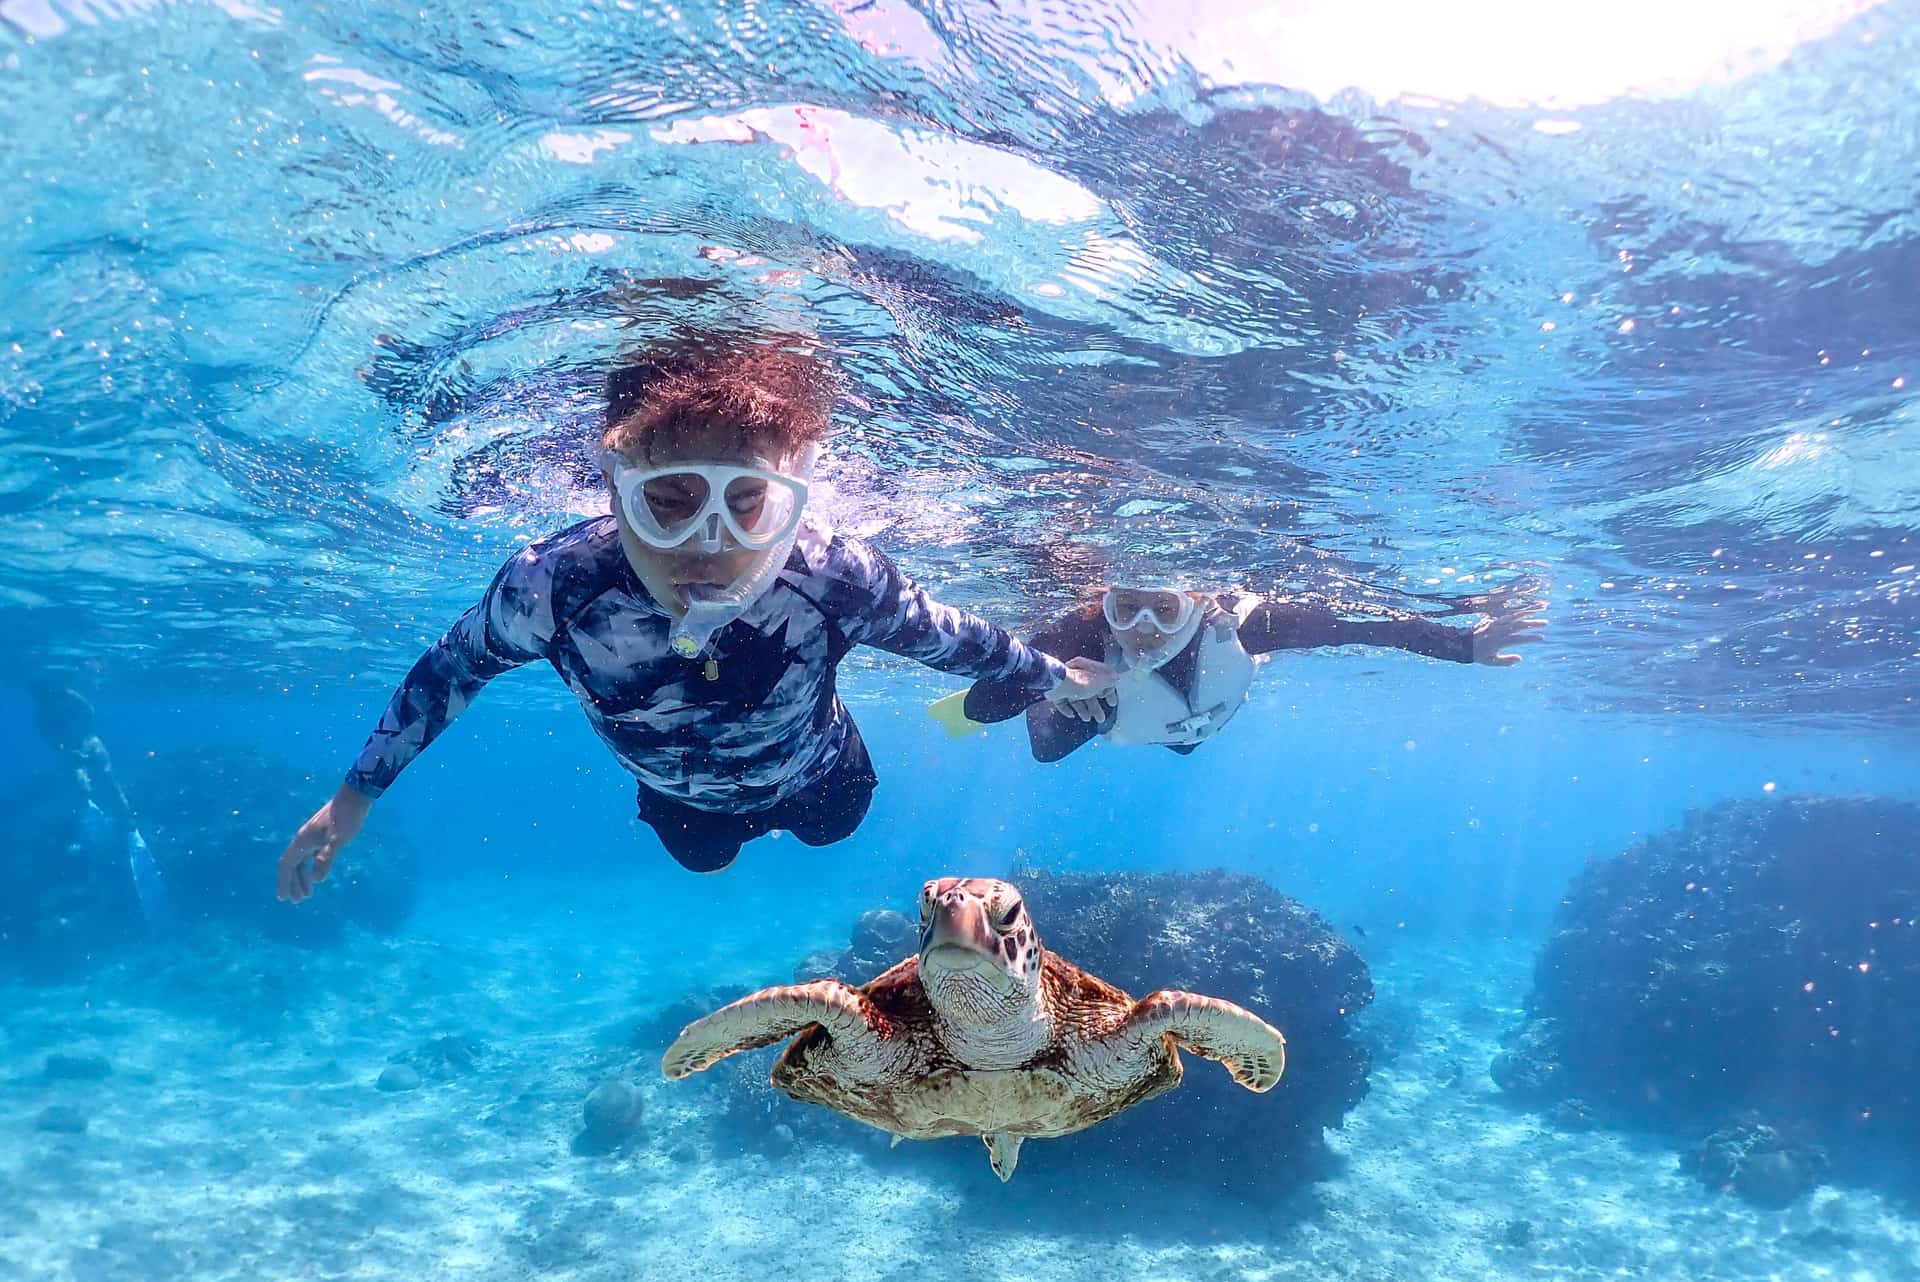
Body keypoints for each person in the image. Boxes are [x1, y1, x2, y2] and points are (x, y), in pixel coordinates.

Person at [276, 335, 1114, 886]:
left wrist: (1052, 675)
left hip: (820, 772)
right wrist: (354, 798)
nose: (708, 547)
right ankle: (727, 821)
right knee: (703, 857)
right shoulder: (557, 587)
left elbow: (953, 641)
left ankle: (791, 796)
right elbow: (448, 673)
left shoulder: (833, 575)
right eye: (668, 501)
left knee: (835, 828)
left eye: (748, 504)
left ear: (794, 499)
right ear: (612, 491)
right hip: (683, 802)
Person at [945, 581, 1545, 762]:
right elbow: (977, 707)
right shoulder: (1077, 637)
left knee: (1185, 746)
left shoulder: (1246, 627)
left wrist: (1464, 646)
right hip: (1111, 718)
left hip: (1191, 728)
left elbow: (1364, 624)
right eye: (1125, 608)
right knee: (1053, 747)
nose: (1143, 628)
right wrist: (1050, 680)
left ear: (1200, 603)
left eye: (1166, 607)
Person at [30, 680, 175, 929]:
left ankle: (124, 822)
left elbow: (87, 716)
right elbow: (53, 733)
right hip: (75, 749)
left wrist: (78, 745)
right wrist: (67, 748)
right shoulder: (46, 712)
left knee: (108, 784)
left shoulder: (65, 700)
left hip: (89, 744)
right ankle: (94, 813)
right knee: (87, 784)